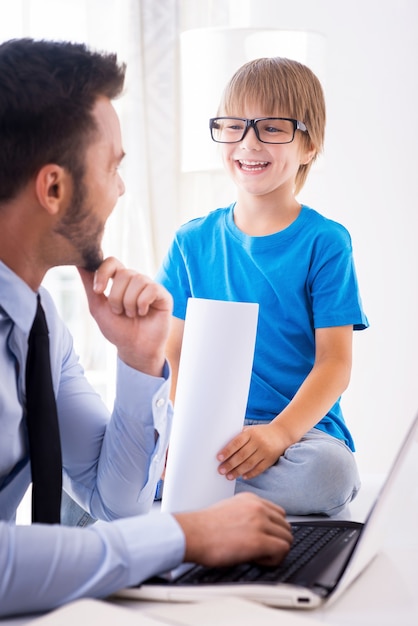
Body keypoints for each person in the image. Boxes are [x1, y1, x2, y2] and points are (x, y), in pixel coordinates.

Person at [0, 39, 293, 618]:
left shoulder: (39, 327)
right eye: (113, 166)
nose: (121, 188)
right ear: (54, 188)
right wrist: (184, 535)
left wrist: (139, 359)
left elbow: (115, 505)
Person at [156, 57, 369, 516]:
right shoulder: (191, 241)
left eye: (272, 128)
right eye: (234, 126)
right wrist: (174, 437)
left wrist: (278, 434)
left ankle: (187, 496)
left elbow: (335, 363)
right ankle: (187, 487)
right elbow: (174, 355)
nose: (248, 143)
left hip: (300, 434)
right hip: (207, 428)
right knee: (92, 457)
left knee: (331, 474)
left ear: (309, 147)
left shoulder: (326, 243)